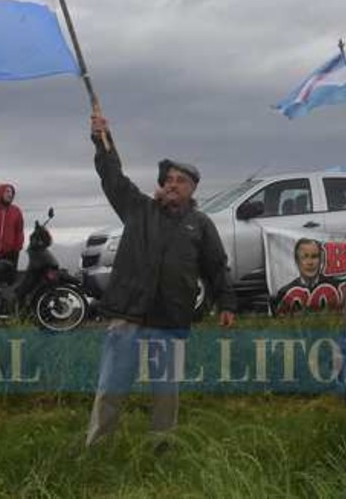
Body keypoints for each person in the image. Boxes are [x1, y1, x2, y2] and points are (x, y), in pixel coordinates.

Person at [87, 108, 237, 448]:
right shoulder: (137, 209)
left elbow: (216, 266)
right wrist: (102, 139)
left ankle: (161, 448)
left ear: (192, 189)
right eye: (168, 179)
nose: (172, 184)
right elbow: (113, 177)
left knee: (165, 391)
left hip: (170, 317)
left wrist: (226, 302)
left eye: (180, 180)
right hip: (127, 312)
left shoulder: (200, 224)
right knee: (112, 384)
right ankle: (96, 447)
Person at [272, 238, 346, 314]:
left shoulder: (335, 287)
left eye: (314, 257)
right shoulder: (285, 293)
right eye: (304, 257)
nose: (310, 262)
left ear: (320, 260)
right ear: (297, 261)